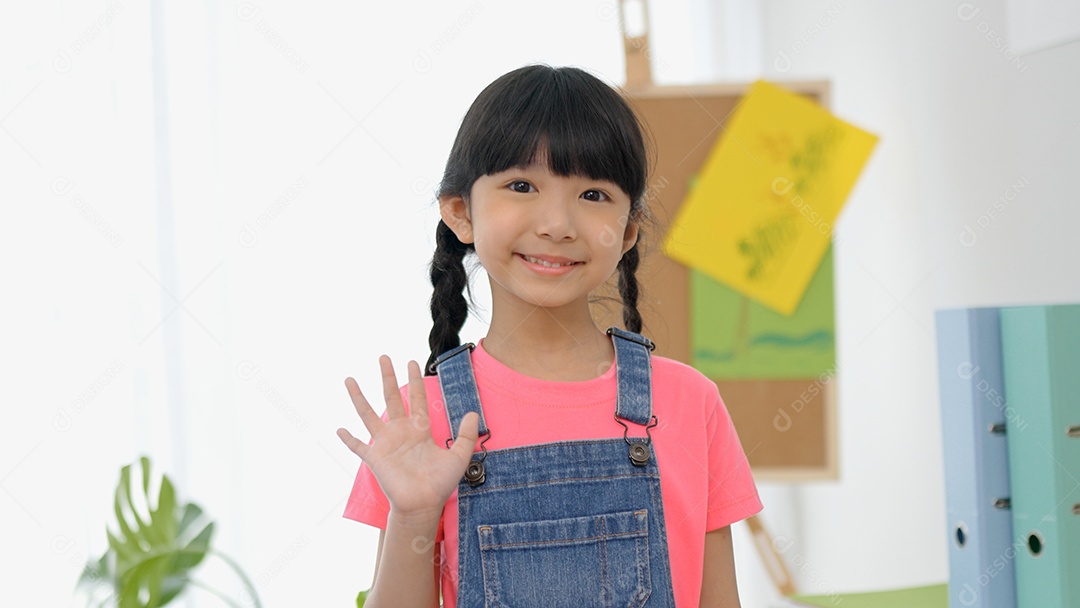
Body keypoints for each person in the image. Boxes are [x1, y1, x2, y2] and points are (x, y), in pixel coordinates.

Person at [336, 64, 762, 607]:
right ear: (461, 213)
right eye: (521, 186)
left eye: (593, 194)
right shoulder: (421, 421)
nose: (557, 222)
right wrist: (413, 515)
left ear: (628, 230)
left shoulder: (689, 402)